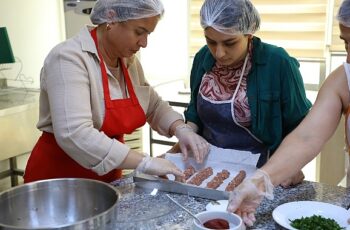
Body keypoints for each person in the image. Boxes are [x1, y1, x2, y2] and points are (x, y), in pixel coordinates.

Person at [23, 0, 210, 183]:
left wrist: (181, 129)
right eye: (139, 32)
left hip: (107, 178)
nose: (144, 43)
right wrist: (144, 162)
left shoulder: (128, 61)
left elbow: (153, 106)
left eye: (148, 34)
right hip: (61, 179)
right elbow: (75, 133)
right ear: (111, 19)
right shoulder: (68, 59)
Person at [227, 0, 350, 226]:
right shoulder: (342, 79)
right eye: (346, 44)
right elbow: (306, 138)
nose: (349, 58)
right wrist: (258, 183)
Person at [171, 0, 311, 187]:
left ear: (249, 34)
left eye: (230, 43)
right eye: (211, 41)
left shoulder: (277, 62)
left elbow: (301, 126)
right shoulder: (203, 58)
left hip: (262, 172)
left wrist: (289, 166)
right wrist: (188, 134)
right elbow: (195, 112)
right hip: (208, 167)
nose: (219, 53)